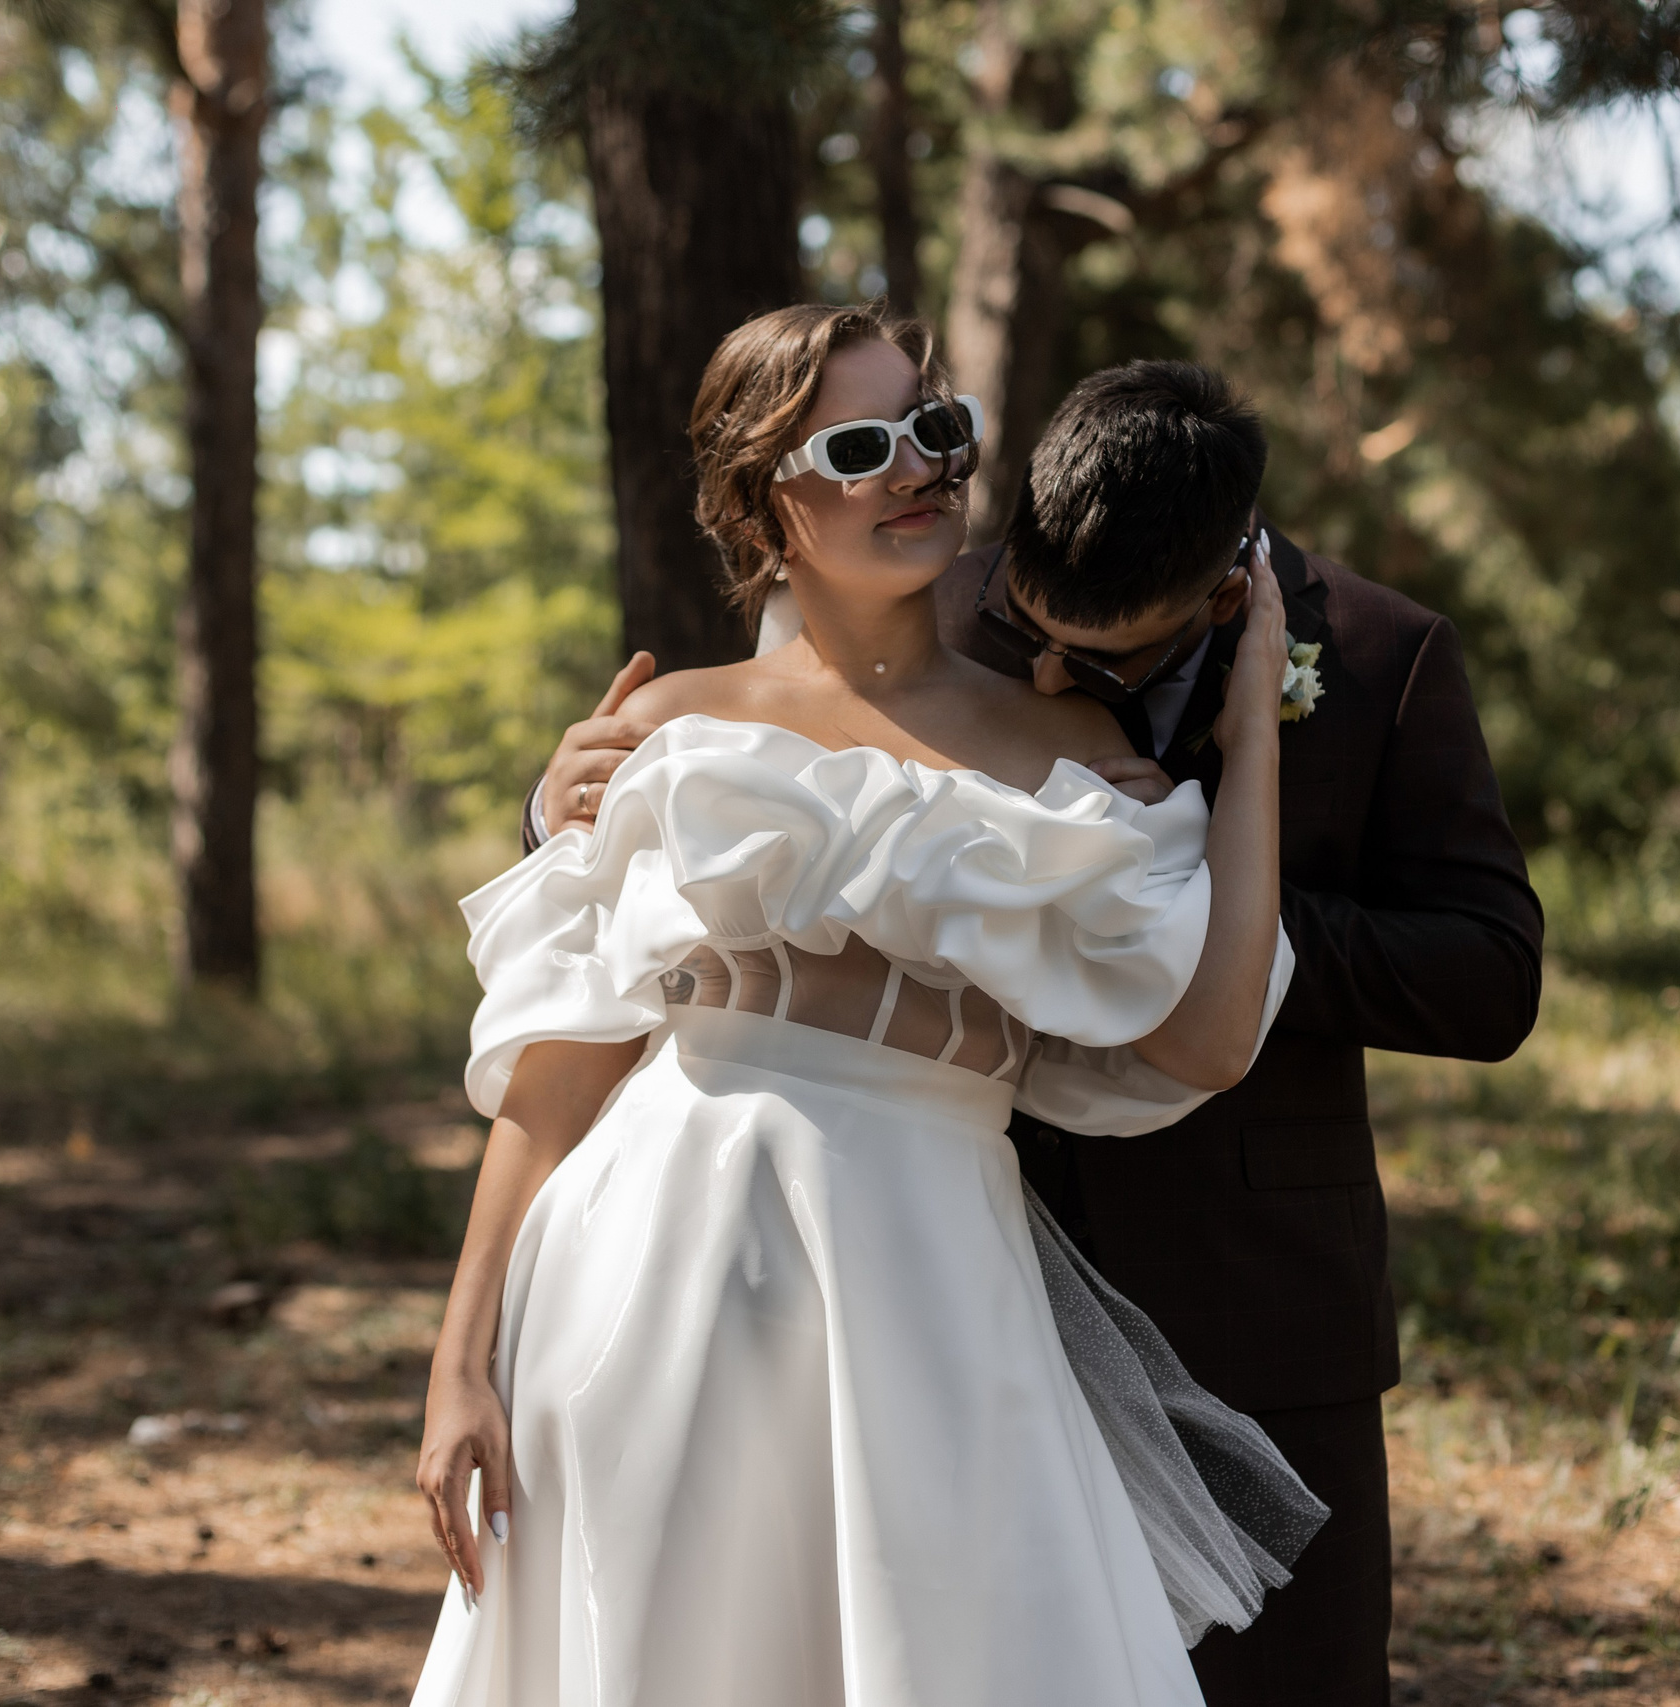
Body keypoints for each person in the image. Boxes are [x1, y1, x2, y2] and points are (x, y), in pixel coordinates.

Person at [530, 358, 1545, 1706]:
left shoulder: (1380, 655)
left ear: (1230, 583)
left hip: (1249, 1279)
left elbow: (1489, 974)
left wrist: (1179, 919)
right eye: (1035, 625)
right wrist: (556, 814)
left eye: (1115, 653)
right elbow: (742, 818)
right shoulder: (922, 587)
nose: (1060, 667)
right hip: (938, 1257)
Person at [410, 303, 1329, 1707]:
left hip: (936, 1260)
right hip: (663, 1249)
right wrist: (458, 1361)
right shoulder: (672, 728)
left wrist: (1252, 723)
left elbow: (1204, 1038)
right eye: (859, 442)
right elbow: (564, 1067)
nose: (920, 467)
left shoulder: (1070, 744)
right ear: (760, 503)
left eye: (937, 428)